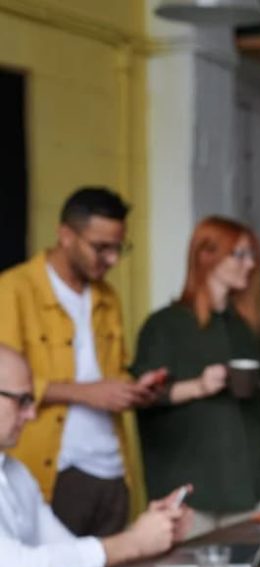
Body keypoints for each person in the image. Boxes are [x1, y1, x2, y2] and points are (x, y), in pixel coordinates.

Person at [0, 344, 228, 567]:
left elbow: (70, 553)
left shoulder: (15, 473)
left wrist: (151, 531)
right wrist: (133, 542)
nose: (32, 413)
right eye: (21, 400)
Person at [131, 216, 260, 567]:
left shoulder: (243, 326)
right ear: (207, 255)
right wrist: (198, 385)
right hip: (192, 489)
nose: (250, 265)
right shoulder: (165, 325)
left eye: (252, 255)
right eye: (240, 254)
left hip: (249, 487)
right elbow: (142, 397)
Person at [0, 187, 164, 537]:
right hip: (54, 471)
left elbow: (110, 373)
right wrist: (86, 393)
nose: (112, 260)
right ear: (65, 236)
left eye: (119, 248)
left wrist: (133, 390)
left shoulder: (108, 297)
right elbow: (7, 384)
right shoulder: (13, 290)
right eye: (101, 247)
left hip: (113, 470)